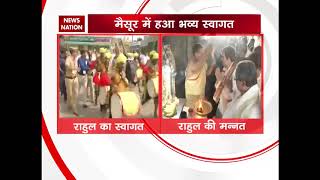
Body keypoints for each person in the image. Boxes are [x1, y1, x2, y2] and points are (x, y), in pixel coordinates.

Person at [185, 43, 213, 109]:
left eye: (202, 52)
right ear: (195, 54)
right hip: (192, 94)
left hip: (201, 93)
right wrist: (206, 52)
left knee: (199, 113)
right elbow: (196, 68)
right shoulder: (191, 63)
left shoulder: (203, 63)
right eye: (200, 52)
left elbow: (206, 74)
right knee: (191, 113)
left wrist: (212, 66)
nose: (202, 54)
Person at [214, 46, 238, 117]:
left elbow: (231, 97)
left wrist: (219, 78)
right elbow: (218, 86)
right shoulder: (226, 69)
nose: (221, 59)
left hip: (227, 112)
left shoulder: (235, 72)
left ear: (228, 58)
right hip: (221, 107)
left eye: (223, 57)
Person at [65, 48, 79, 116]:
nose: (76, 53)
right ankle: (70, 105)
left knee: (76, 93)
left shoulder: (75, 59)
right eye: (75, 52)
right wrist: (74, 68)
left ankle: (74, 108)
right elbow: (67, 67)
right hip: (69, 79)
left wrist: (77, 70)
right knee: (70, 94)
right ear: (72, 53)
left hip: (75, 78)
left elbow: (76, 68)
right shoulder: (68, 58)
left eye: (76, 52)